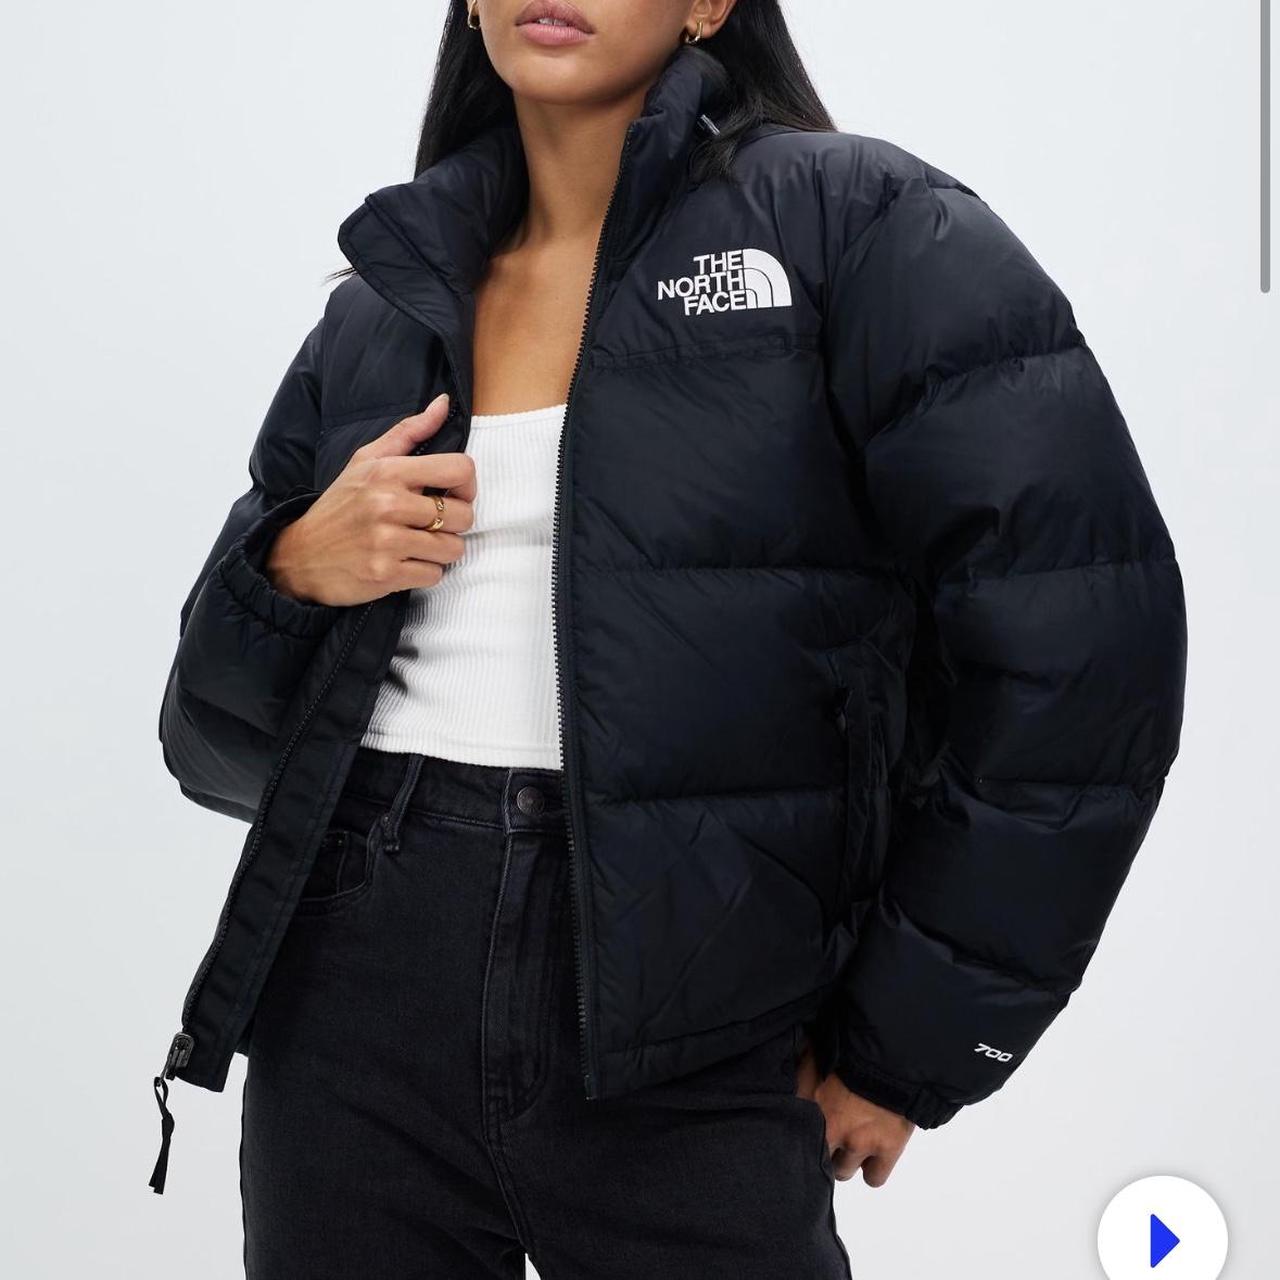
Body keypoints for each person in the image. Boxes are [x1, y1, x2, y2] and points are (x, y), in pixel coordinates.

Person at [151, 1, 1188, 1275]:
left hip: (700, 995)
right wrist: (291, 569)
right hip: (356, 982)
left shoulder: (859, 226)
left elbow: (1085, 654)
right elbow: (216, 745)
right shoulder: (384, 305)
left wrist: (908, 1046)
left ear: (707, 4)